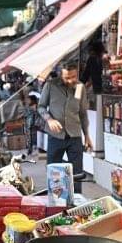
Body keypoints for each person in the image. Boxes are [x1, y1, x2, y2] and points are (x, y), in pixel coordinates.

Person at [38, 60, 92, 190]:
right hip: (56, 135)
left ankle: (77, 202)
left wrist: (87, 136)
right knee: (54, 172)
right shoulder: (51, 86)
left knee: (77, 173)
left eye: (73, 77)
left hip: (74, 135)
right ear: (60, 75)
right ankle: (56, 201)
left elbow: (83, 113)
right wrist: (49, 120)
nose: (70, 80)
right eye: (67, 77)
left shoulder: (80, 87)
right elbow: (41, 107)